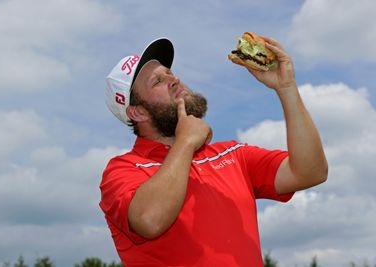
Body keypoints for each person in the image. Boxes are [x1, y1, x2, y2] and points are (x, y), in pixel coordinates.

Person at [99, 37, 328, 267]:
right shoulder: (123, 170)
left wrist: (286, 88)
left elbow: (311, 172)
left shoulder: (232, 154)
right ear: (138, 113)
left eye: (169, 72)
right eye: (157, 81)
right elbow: (149, 219)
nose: (173, 79)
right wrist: (186, 142)